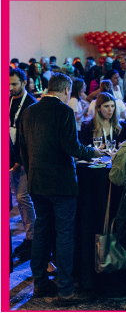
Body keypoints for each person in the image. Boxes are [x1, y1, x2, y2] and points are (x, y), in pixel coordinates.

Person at [19, 73, 102, 303]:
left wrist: (30, 171)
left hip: (36, 182)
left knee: (42, 231)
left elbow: (22, 149)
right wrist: (93, 152)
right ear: (66, 91)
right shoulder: (63, 111)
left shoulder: (28, 112)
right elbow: (71, 148)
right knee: (65, 234)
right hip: (61, 184)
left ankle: (39, 284)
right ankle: (66, 289)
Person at [9, 67, 37, 259]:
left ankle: (33, 239)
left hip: (26, 159)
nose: (10, 88)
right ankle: (29, 238)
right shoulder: (7, 101)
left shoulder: (31, 104)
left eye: (14, 84)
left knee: (23, 198)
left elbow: (31, 138)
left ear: (24, 83)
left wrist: (20, 160)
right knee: (18, 200)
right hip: (10, 159)